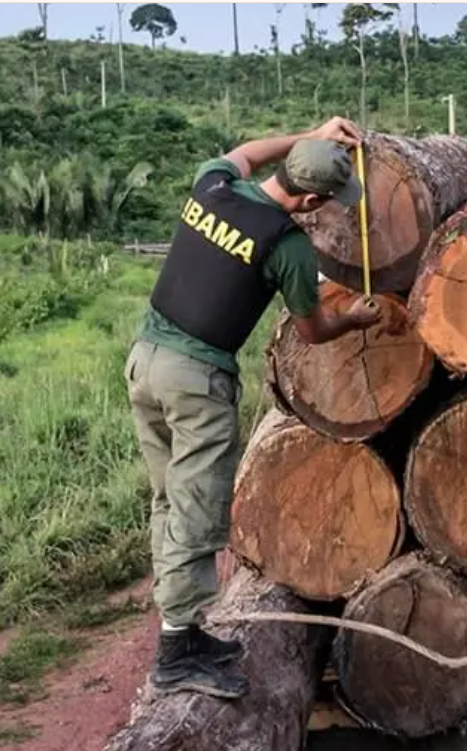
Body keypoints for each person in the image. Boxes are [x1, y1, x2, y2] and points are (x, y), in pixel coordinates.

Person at [124, 117, 381, 699]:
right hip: (196, 381)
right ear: (311, 201)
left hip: (145, 361)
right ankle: (174, 654)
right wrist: (354, 318)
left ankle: (183, 630)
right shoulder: (287, 245)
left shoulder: (214, 186)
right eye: (328, 201)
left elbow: (244, 151)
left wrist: (308, 137)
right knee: (196, 510)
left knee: (169, 499)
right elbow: (313, 331)